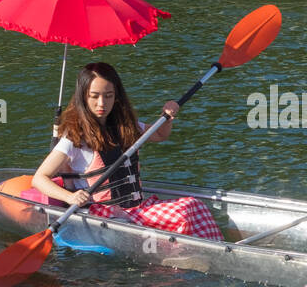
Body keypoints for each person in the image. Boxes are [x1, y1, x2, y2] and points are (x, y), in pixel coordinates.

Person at [31, 62, 223, 240]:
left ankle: (203, 248)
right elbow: (39, 178)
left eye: (108, 96)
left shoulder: (126, 126)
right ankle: (185, 253)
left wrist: (168, 114)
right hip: (102, 214)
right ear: (83, 96)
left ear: (116, 96)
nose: (101, 104)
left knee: (194, 205)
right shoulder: (74, 138)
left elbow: (160, 135)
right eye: (94, 96)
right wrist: (70, 197)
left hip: (134, 209)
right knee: (185, 209)